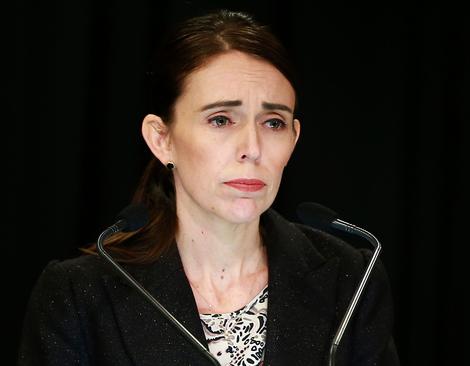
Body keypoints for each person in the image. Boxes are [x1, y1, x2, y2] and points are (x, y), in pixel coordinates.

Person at [17, 9, 399, 366]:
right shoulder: (78, 294)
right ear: (161, 138)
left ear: (294, 139)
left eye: (273, 123)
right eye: (221, 120)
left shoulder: (351, 278)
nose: (252, 149)